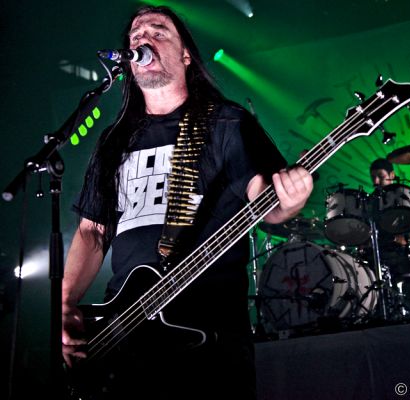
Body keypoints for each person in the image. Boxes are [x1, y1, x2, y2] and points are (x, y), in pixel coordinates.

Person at [61, 5, 312, 399]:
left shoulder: (226, 123)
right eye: (136, 35)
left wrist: (291, 200)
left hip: (209, 332)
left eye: (158, 30)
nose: (143, 38)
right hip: (121, 327)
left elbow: (267, 202)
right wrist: (65, 304)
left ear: (185, 55)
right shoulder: (113, 140)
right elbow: (92, 231)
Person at [369, 158, 410, 314]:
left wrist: (409, 240)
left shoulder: (406, 194)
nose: (376, 181)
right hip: (382, 249)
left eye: (380, 176)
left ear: (392, 175)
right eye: (373, 177)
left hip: (407, 247)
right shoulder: (371, 201)